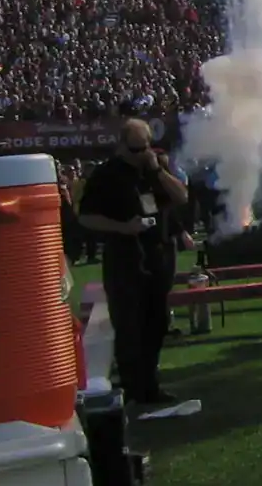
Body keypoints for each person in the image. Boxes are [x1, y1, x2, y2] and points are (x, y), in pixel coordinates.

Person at [76, 117, 187, 408]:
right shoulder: (106, 175)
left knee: (157, 322)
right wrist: (123, 227)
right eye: (135, 149)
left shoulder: (156, 168)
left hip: (158, 255)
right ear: (122, 145)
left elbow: (181, 196)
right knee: (128, 325)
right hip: (124, 257)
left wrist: (157, 171)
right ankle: (133, 388)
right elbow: (86, 216)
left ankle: (150, 385)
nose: (141, 155)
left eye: (145, 148)